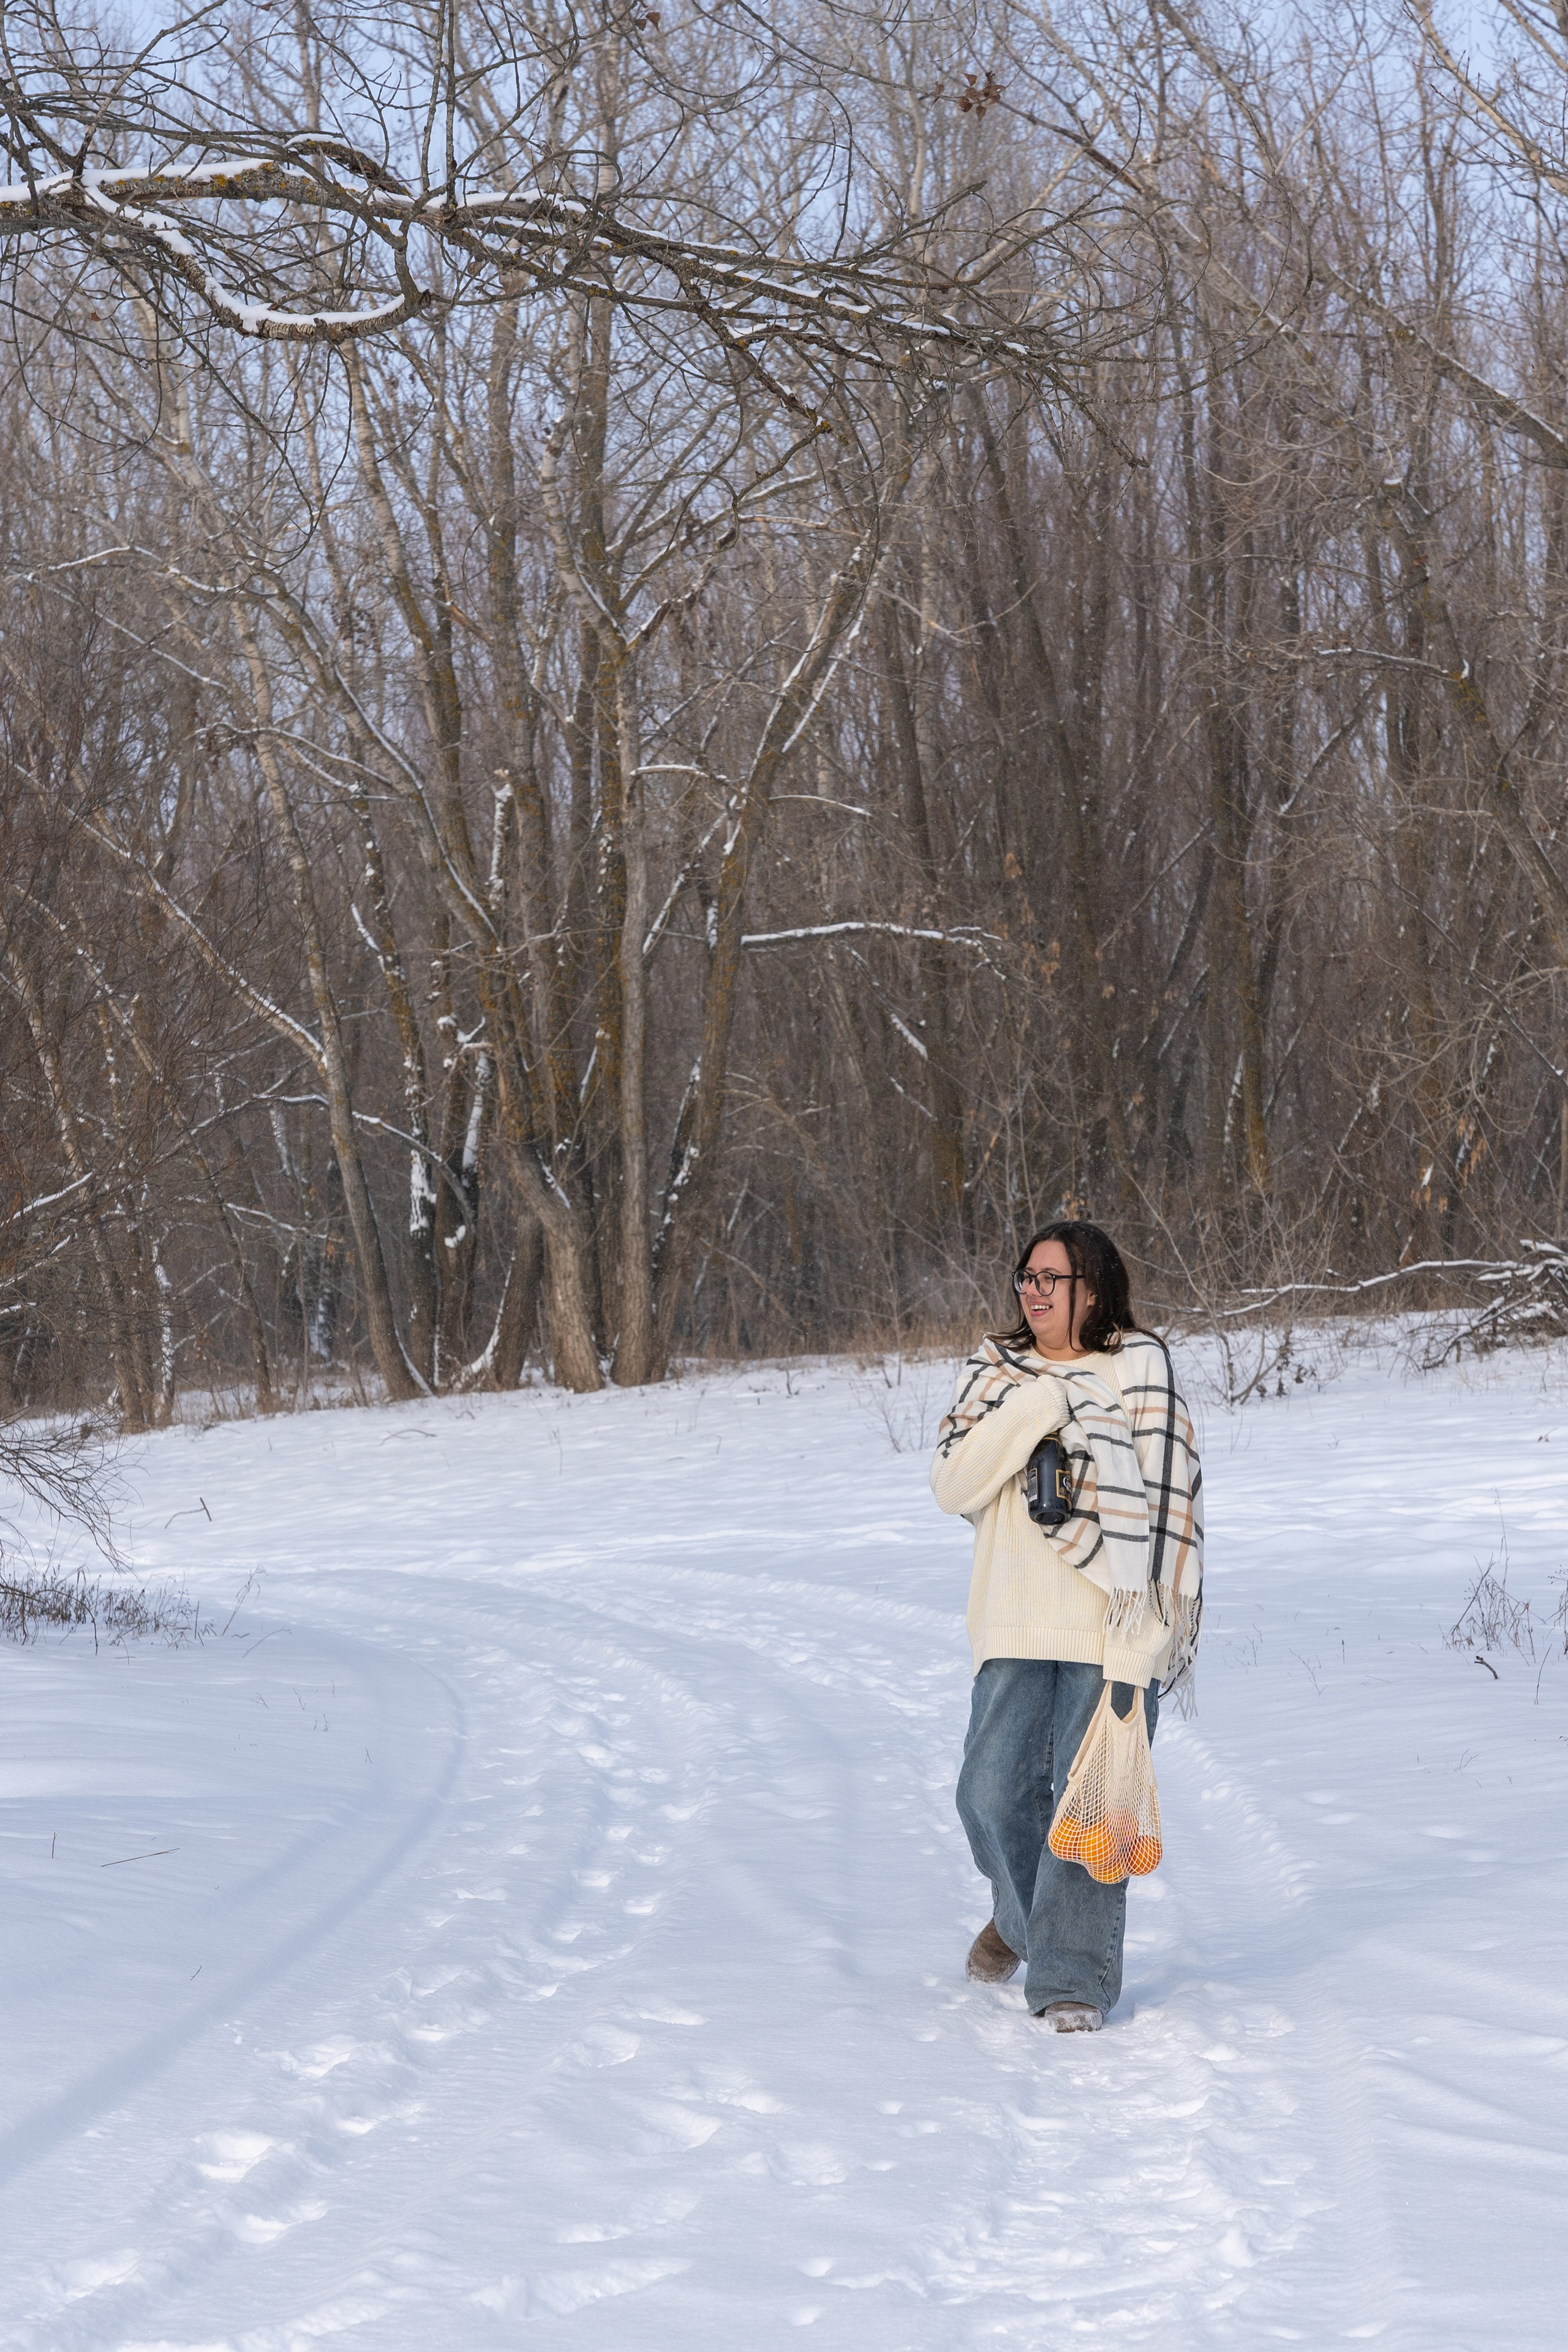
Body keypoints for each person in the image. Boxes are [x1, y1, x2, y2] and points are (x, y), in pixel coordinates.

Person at [929, 1220, 1203, 2030]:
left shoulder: (1139, 1368)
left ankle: (1071, 1979)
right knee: (988, 1795)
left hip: (1110, 1625)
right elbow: (954, 1486)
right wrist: (1043, 1402)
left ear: (1094, 1289)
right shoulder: (995, 1372)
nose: (1034, 1291)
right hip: (1012, 1620)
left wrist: (1146, 1635)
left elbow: (1171, 1507)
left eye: (1052, 1278)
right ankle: (1022, 1925)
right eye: (1028, 1276)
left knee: (1092, 1810)